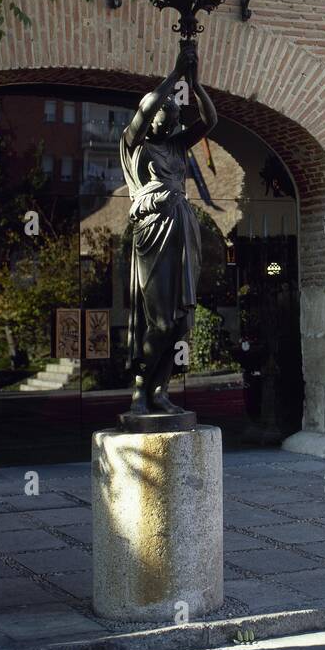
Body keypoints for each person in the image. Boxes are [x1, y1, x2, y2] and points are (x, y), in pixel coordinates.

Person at [119, 39, 217, 419]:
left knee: (178, 322)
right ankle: (140, 392)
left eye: (175, 110)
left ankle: (160, 391)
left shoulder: (177, 147)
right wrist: (175, 73)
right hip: (153, 230)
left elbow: (210, 121)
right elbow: (144, 110)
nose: (172, 113)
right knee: (159, 319)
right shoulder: (134, 146)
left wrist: (195, 83)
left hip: (183, 228)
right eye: (167, 109)